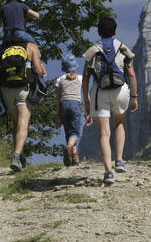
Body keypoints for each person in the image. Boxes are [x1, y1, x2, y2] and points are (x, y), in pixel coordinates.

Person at [82, 16, 138, 184]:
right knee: (119, 123)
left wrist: (87, 101)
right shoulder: (123, 48)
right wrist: (134, 97)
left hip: (101, 92)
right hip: (121, 91)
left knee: (104, 133)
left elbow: (85, 79)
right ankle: (119, 160)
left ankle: (108, 172)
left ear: (99, 32)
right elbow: (132, 75)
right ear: (115, 31)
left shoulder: (92, 50)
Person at [0, 41, 46, 172]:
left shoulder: (2, 47)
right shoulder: (31, 47)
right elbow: (38, 70)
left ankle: (21, 158)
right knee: (23, 125)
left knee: (16, 125)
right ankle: (16, 157)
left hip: (6, 89)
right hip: (23, 89)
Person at [55, 53, 84, 167]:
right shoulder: (81, 78)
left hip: (63, 105)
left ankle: (74, 157)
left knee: (68, 132)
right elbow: (86, 96)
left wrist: (58, 115)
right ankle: (69, 148)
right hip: (75, 105)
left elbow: (57, 99)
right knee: (76, 132)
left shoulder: (59, 80)